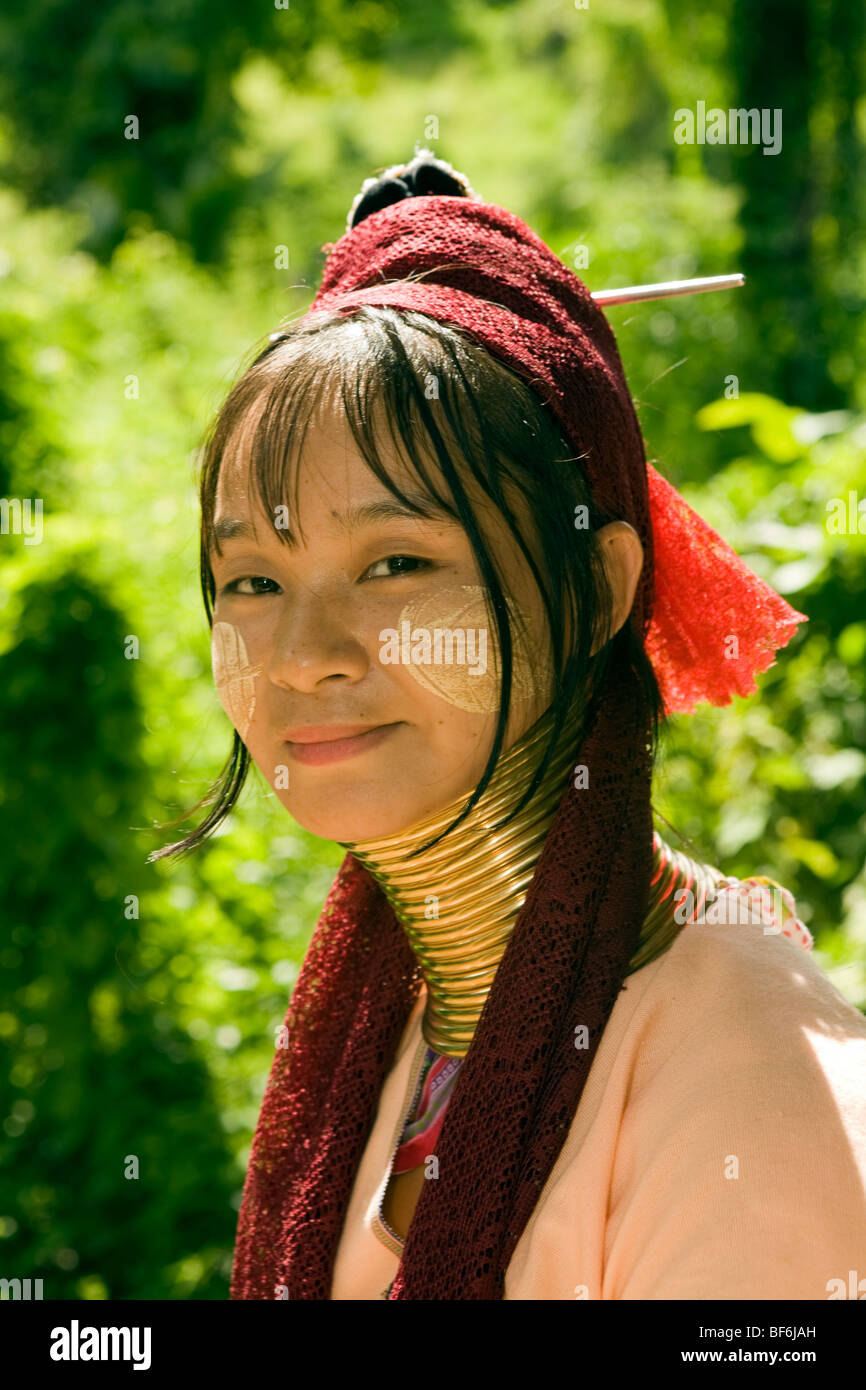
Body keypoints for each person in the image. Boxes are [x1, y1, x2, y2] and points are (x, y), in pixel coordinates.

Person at [152, 151, 866, 1300]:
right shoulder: (397, 1015)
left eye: (395, 562)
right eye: (251, 580)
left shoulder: (742, 1080)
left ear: (593, 588)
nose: (302, 655)